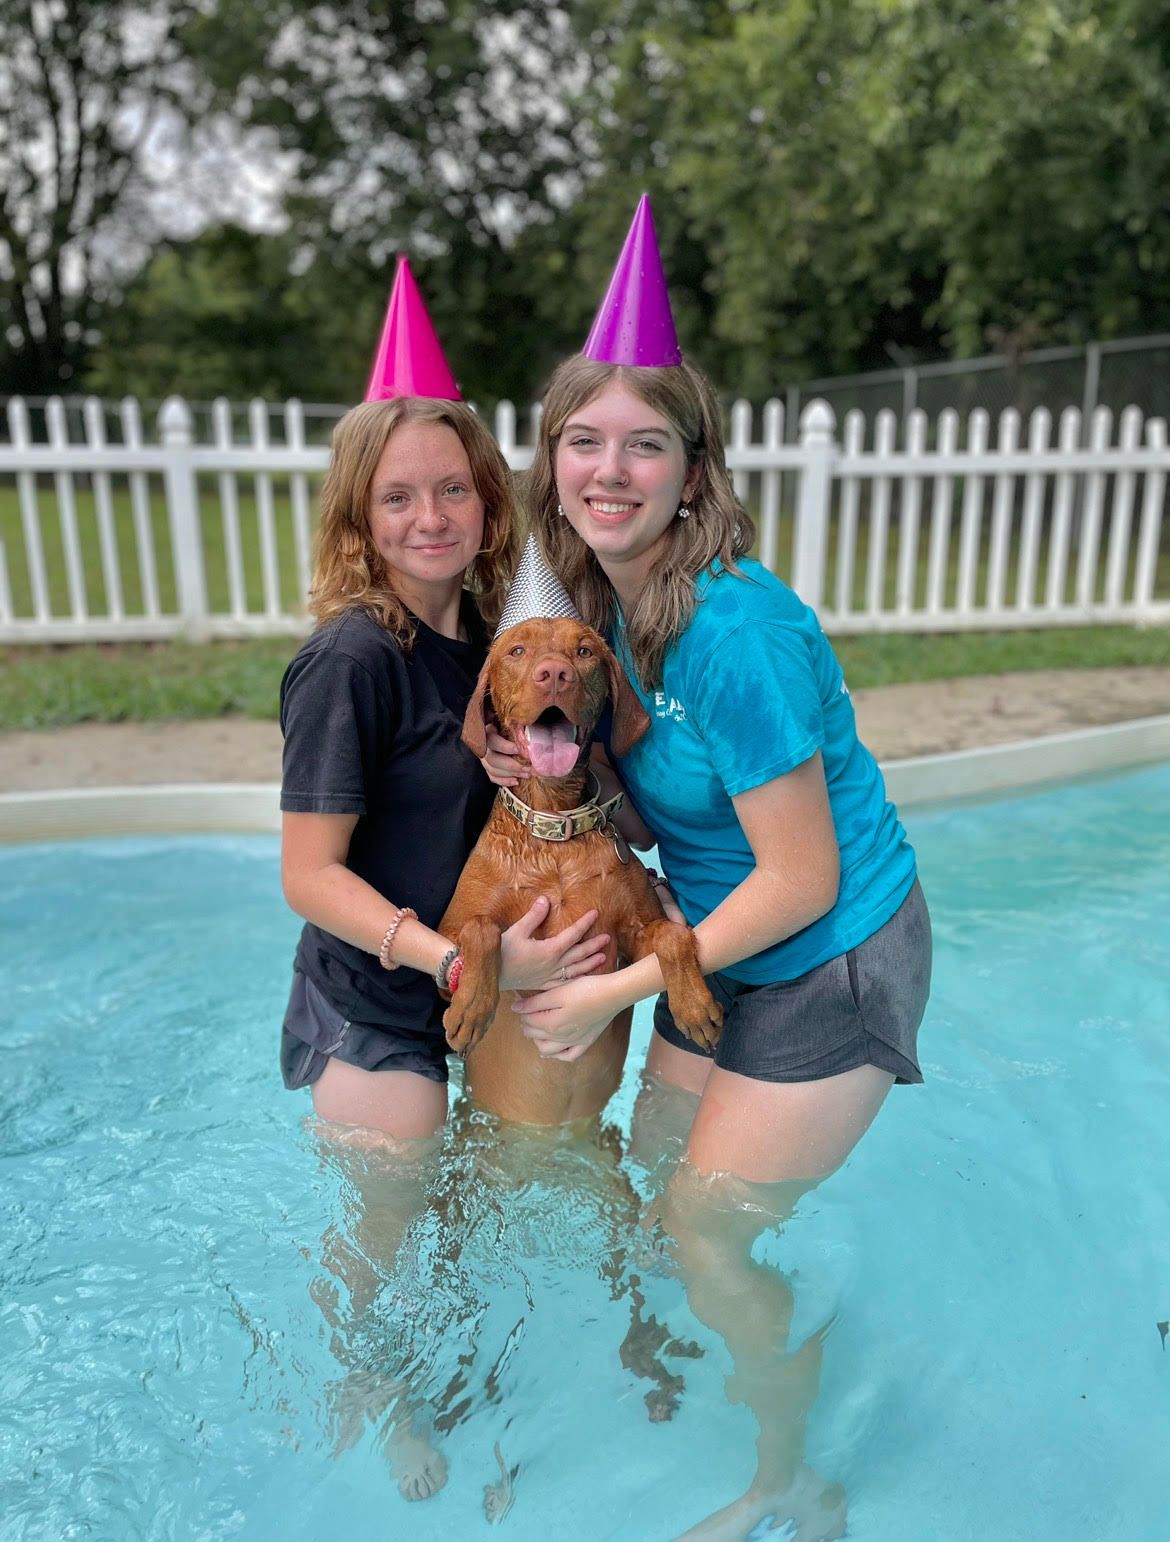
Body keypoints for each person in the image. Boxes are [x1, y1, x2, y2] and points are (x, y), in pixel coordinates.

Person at [482, 198, 930, 1539]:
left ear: (694, 470)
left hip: (830, 952)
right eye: (584, 440)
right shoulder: (604, 598)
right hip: (719, 938)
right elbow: (643, 791)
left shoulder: (733, 630)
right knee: (655, 1176)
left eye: (646, 443)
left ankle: (793, 1476)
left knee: (705, 1225)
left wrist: (612, 991)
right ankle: (699, 1347)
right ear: (554, 460)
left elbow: (799, 879)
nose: (609, 469)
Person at [279, 257, 608, 1146]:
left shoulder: (505, 650)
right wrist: (464, 963)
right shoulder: (350, 661)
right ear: (360, 519)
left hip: (487, 989)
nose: (430, 517)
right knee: (394, 1217)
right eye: (397, 497)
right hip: (379, 1005)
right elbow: (307, 877)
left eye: (453, 489)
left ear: (489, 506)